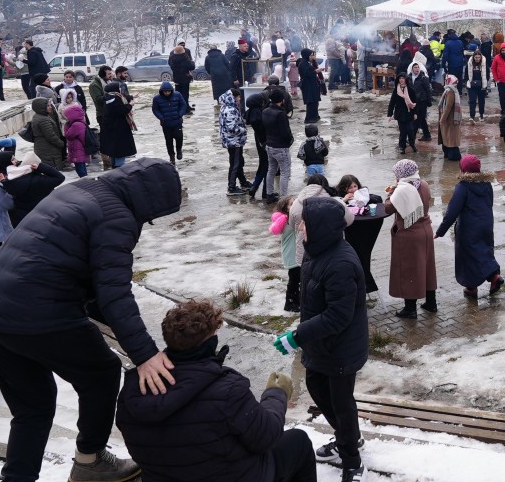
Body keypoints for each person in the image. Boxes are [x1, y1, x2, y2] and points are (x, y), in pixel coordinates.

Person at [0, 159, 182, 482]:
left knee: (32, 409)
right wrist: (145, 355)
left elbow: (85, 277)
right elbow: (114, 292)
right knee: (102, 372)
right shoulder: (116, 216)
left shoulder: (80, 189)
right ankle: (90, 461)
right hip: (38, 312)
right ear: (150, 200)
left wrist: (119, 326)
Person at [117, 300, 316, 482]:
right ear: (210, 342)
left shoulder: (133, 390)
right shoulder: (228, 390)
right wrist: (276, 394)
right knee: (298, 441)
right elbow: (266, 437)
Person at [271, 196, 368, 482]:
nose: (300, 227)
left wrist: (297, 336)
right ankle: (349, 436)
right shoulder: (316, 251)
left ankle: (352, 460)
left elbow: (338, 316)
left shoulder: (340, 263)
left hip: (341, 348)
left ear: (320, 227)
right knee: (316, 386)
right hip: (320, 343)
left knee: (341, 404)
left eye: (304, 223)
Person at [436, 154, 503, 298]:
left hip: (468, 227)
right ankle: (494, 276)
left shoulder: (463, 187)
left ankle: (471, 288)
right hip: (486, 224)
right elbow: (489, 203)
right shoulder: (487, 184)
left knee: (468, 256)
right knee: (485, 251)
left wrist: (440, 231)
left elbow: (452, 212)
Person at [386, 159, 437, 319]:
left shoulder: (401, 190)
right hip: (425, 230)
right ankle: (431, 303)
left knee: (409, 269)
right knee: (427, 267)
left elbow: (388, 208)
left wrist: (390, 192)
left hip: (409, 234)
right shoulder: (424, 184)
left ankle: (410, 309)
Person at [263, 90, 294, 203]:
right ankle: (284, 199)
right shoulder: (281, 114)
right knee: (285, 172)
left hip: (269, 145)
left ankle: (269, 194)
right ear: (282, 100)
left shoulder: (265, 111)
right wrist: (290, 140)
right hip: (280, 147)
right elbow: (285, 132)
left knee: (271, 170)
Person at [100, 81, 136, 169]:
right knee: (121, 148)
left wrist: (132, 96)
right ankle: (119, 168)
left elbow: (123, 98)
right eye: (119, 87)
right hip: (119, 127)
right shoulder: (115, 99)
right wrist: (130, 105)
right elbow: (122, 110)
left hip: (110, 127)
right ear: (116, 89)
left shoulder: (109, 97)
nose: (120, 89)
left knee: (113, 149)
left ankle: (114, 165)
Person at [152, 80, 186, 164]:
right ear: (162, 91)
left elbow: (183, 105)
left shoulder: (177, 95)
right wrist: (161, 117)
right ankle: (171, 156)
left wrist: (180, 114)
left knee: (179, 137)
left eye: (168, 91)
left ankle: (179, 150)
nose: (167, 93)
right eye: (165, 91)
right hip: (166, 123)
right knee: (169, 141)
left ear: (171, 90)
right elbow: (155, 109)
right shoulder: (157, 99)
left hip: (177, 122)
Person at [28, 97, 64, 168]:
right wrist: (61, 143)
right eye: (48, 106)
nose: (50, 107)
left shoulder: (40, 116)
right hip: (48, 149)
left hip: (44, 147)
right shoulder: (43, 120)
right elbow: (51, 136)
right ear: (41, 108)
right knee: (52, 169)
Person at [386, 74, 418, 154]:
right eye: (400, 78)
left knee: (410, 130)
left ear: (405, 79)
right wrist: (390, 114)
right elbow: (392, 102)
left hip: (409, 113)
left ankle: (412, 144)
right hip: (400, 113)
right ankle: (402, 147)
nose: (401, 80)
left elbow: (415, 102)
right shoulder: (396, 90)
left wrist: (415, 113)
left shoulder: (411, 90)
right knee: (402, 131)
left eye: (403, 78)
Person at [436, 74, 462, 161]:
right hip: (449, 119)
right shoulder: (449, 90)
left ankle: (453, 159)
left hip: (450, 120)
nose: (445, 81)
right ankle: (449, 156)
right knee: (448, 139)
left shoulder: (450, 91)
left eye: (447, 80)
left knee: (451, 141)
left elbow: (448, 106)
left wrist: (442, 119)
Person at [167, 41, 196, 115]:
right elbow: (191, 66)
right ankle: (185, 110)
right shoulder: (184, 57)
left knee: (178, 94)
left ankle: (179, 108)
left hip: (177, 78)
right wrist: (192, 62)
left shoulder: (172, 58)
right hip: (185, 78)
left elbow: (170, 65)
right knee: (185, 94)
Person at [63, 102, 90, 178]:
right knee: (81, 166)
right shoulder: (81, 122)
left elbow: (68, 135)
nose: (66, 118)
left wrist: (66, 126)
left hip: (77, 150)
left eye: (67, 116)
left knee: (80, 169)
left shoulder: (76, 125)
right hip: (80, 150)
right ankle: (85, 180)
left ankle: (84, 181)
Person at [296, 49, 323, 125]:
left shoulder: (308, 63)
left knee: (314, 101)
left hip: (312, 85)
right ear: (306, 55)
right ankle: (310, 119)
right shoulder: (303, 64)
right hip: (308, 85)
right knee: (311, 101)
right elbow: (307, 74)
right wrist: (316, 71)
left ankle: (314, 116)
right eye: (311, 55)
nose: (312, 57)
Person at [408, 62, 433, 142]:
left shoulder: (423, 78)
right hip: (413, 102)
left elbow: (428, 90)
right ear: (412, 69)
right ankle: (427, 135)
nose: (417, 69)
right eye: (415, 67)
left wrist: (429, 100)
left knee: (417, 119)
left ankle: (411, 137)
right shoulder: (409, 78)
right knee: (422, 119)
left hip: (422, 101)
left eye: (418, 67)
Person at [463, 51, 490, 120]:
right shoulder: (469, 64)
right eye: (476, 57)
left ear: (481, 57)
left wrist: (485, 82)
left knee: (481, 101)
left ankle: (481, 114)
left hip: (482, 85)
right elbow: (466, 73)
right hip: (472, 85)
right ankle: (472, 116)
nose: (477, 59)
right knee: (472, 101)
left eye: (478, 57)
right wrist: (467, 82)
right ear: (473, 57)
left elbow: (487, 73)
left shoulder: (484, 64)